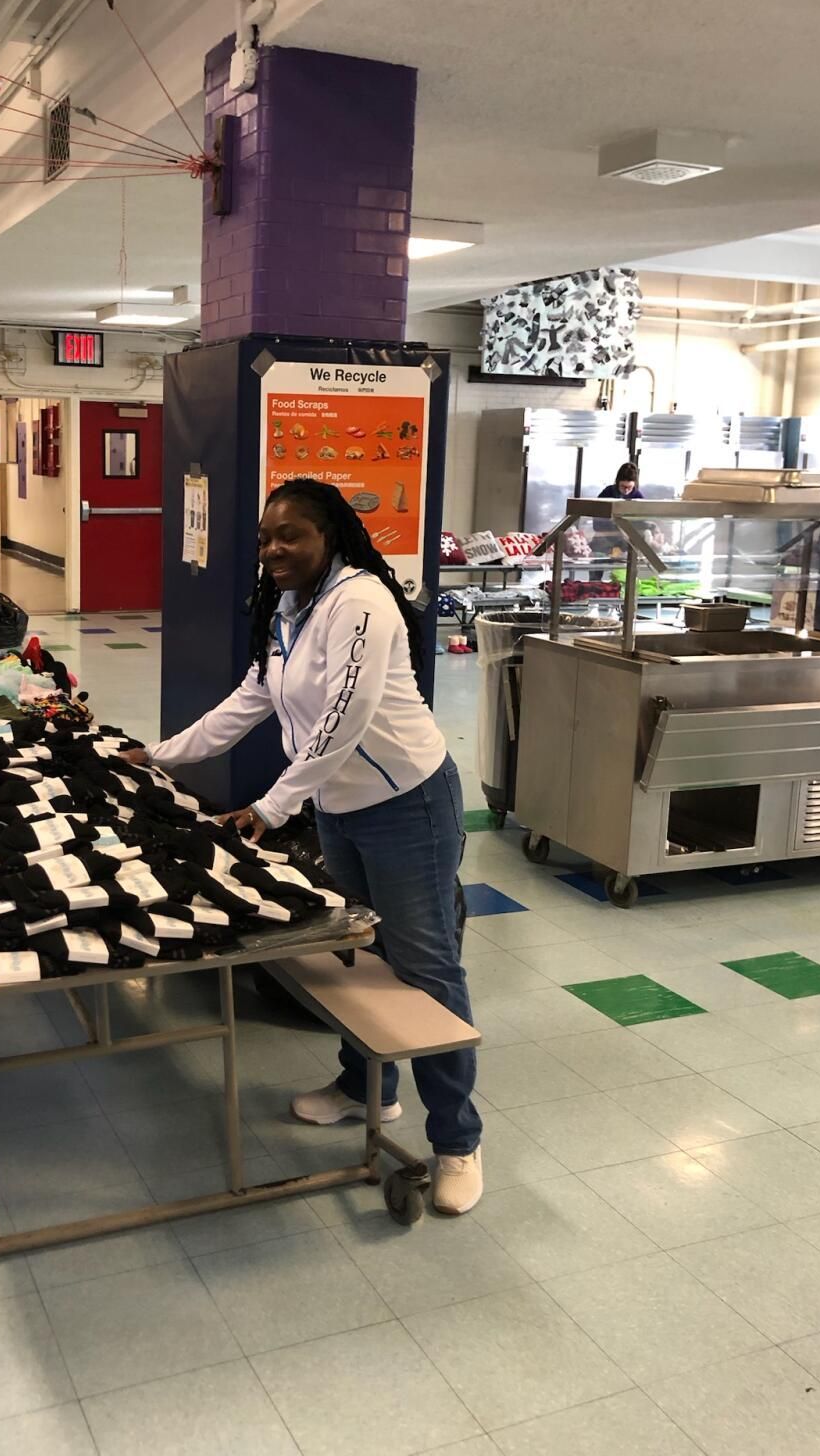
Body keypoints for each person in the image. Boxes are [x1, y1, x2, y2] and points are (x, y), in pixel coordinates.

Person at [124, 478, 483, 1215]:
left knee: (427, 968)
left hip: (407, 805)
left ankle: (457, 1142)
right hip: (341, 808)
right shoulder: (291, 606)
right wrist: (158, 756)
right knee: (357, 950)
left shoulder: (361, 601)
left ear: (331, 536)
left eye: (291, 535)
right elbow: (249, 700)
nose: (275, 549)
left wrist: (274, 803)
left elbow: (346, 716)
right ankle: (366, 1088)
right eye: (265, 538)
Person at [590, 461, 644, 574]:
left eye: (629, 487)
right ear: (617, 482)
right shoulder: (607, 493)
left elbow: (641, 523)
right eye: (623, 487)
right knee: (597, 566)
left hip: (628, 542)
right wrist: (615, 532)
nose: (626, 490)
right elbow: (597, 521)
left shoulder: (638, 497)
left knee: (627, 572)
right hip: (605, 539)